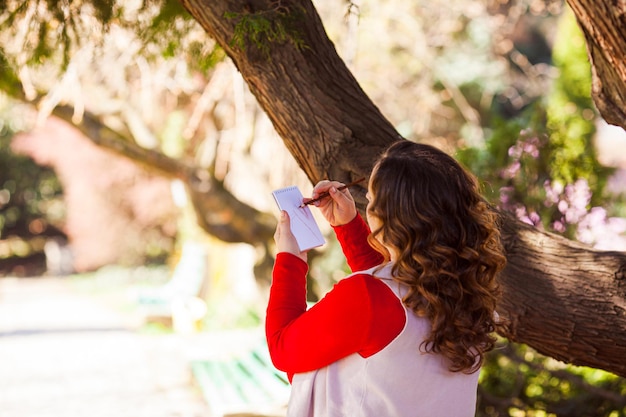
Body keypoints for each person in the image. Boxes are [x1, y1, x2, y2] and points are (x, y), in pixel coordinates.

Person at [266, 140, 507, 416]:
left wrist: (290, 259)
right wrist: (348, 226)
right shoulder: (466, 293)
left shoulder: (370, 299)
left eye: (369, 201)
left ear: (390, 216)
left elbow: (282, 347)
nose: (366, 207)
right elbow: (389, 305)